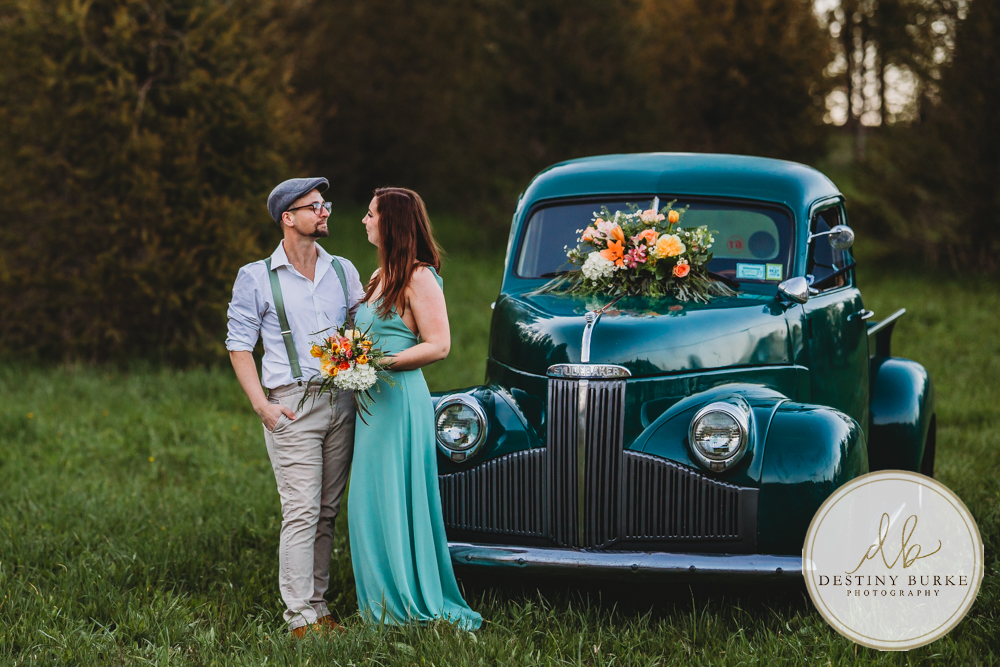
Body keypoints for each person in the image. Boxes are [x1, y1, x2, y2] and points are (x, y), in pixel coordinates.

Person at [226, 177, 365, 638]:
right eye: (314, 206)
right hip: (290, 405)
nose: (324, 212)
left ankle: (318, 607)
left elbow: (360, 328)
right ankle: (300, 617)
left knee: (326, 510)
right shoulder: (256, 277)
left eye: (325, 205)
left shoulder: (343, 270)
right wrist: (262, 406)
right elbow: (239, 345)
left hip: (341, 400)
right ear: (288, 218)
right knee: (302, 509)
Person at [348, 187, 482, 630]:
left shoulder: (419, 277)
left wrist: (378, 363)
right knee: (369, 501)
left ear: (391, 223)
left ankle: (405, 599)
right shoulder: (378, 275)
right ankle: (378, 600)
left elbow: (439, 345)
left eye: (371, 214)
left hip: (399, 401)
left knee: (395, 496)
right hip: (371, 404)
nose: (364, 221)